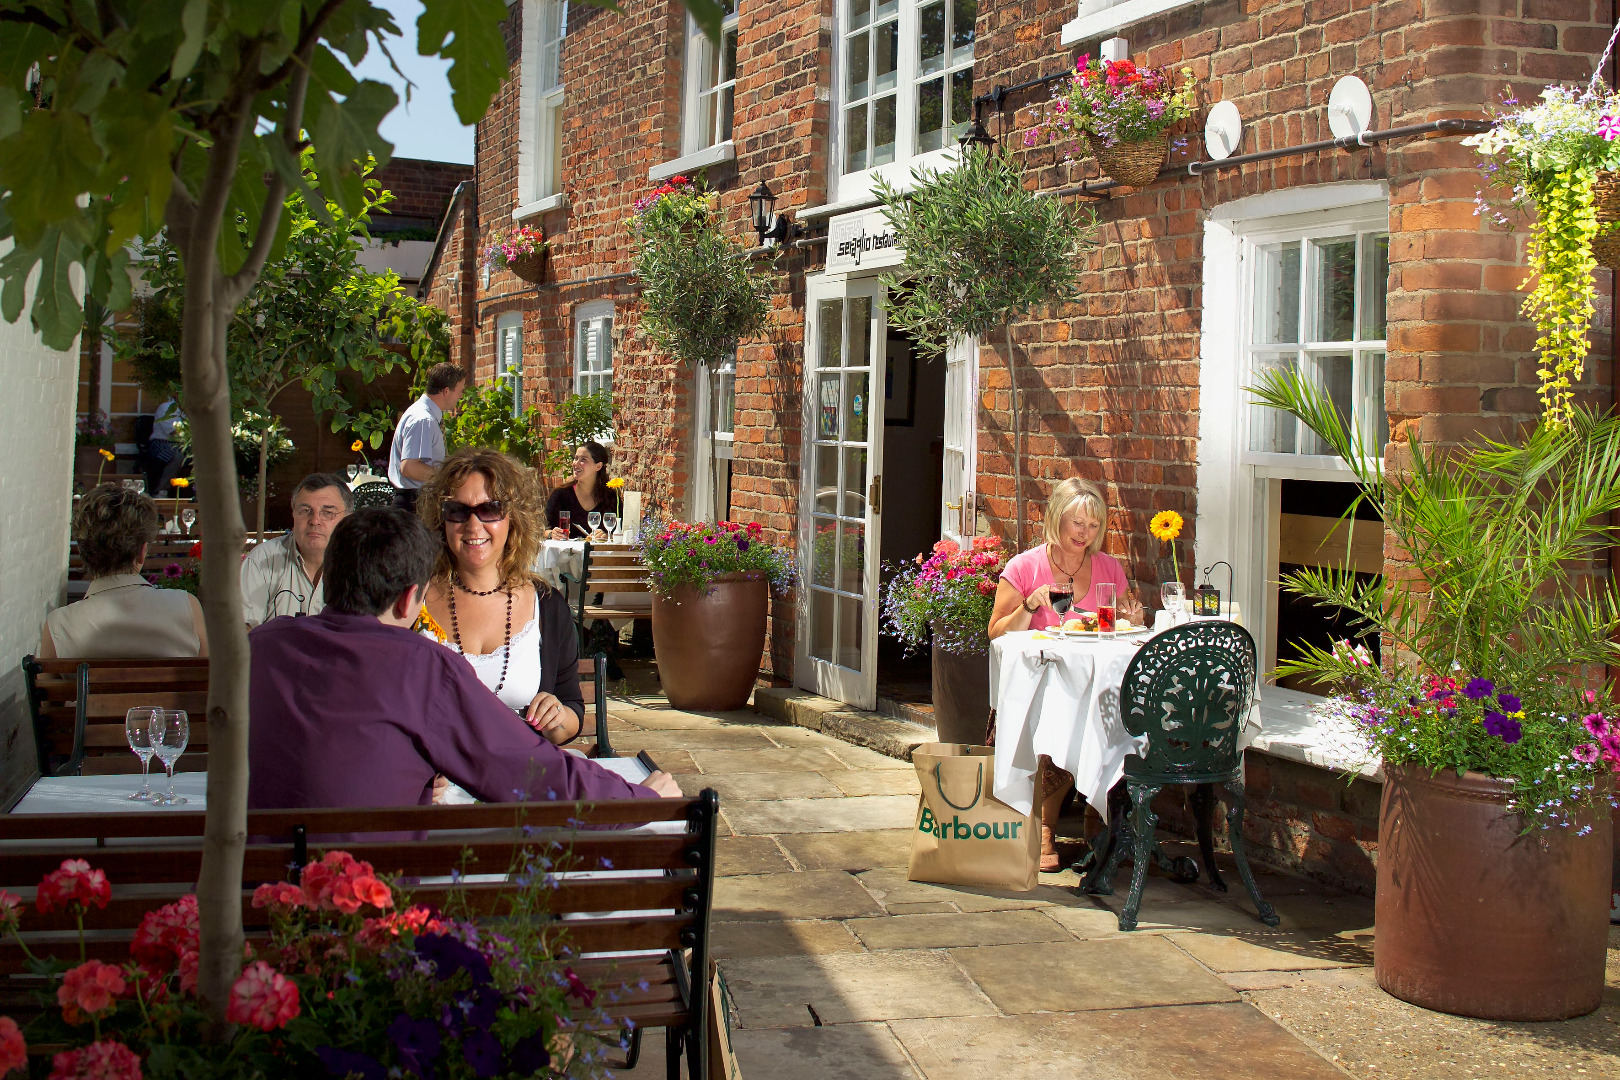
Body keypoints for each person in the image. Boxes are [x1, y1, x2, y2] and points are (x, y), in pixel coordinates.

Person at [248, 507, 682, 811]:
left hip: (256, 888)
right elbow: (530, 775)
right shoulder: (422, 667)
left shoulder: (261, 648)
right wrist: (639, 798)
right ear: (410, 599)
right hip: (370, 895)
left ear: (329, 579)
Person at [988, 477, 1144, 871]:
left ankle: (1097, 817)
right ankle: (1046, 827)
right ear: (1056, 517)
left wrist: (1132, 615)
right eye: (1077, 523)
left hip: (1099, 683)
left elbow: (1125, 620)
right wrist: (1029, 605)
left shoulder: (1108, 566)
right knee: (1061, 719)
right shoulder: (1024, 566)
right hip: (1043, 683)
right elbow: (997, 633)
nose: (1085, 533)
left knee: (1122, 717)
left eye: (1093, 525)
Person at [417, 448, 582, 745]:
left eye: (490, 509)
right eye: (457, 511)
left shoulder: (546, 606)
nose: (473, 526)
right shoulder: (412, 602)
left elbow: (570, 710)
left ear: (513, 518)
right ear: (441, 521)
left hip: (518, 768)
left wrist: (556, 717)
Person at [41, 484, 207, 659]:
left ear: (84, 554)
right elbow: (208, 672)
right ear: (142, 552)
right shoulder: (186, 607)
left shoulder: (58, 626)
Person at [240, 473, 352, 627]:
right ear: (293, 514)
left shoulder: (363, 564)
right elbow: (241, 631)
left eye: (327, 512)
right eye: (305, 510)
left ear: (348, 518)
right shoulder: (262, 560)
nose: (315, 521)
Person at [388, 363, 467, 512]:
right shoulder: (423, 419)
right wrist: (448, 478)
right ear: (446, 391)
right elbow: (409, 467)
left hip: (417, 500)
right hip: (414, 503)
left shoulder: (425, 415)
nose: (461, 396)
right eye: (460, 391)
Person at [546, 442, 621, 540]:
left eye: (583, 460)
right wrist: (551, 534)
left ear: (598, 466)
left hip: (598, 550)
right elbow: (541, 529)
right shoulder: (561, 494)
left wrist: (607, 536)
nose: (576, 463)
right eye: (576, 458)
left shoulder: (611, 497)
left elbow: (622, 532)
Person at [144, 397, 186, 495]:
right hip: (161, 442)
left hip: (183, 443)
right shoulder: (166, 408)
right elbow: (174, 432)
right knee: (178, 456)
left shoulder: (192, 410)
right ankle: (160, 490)